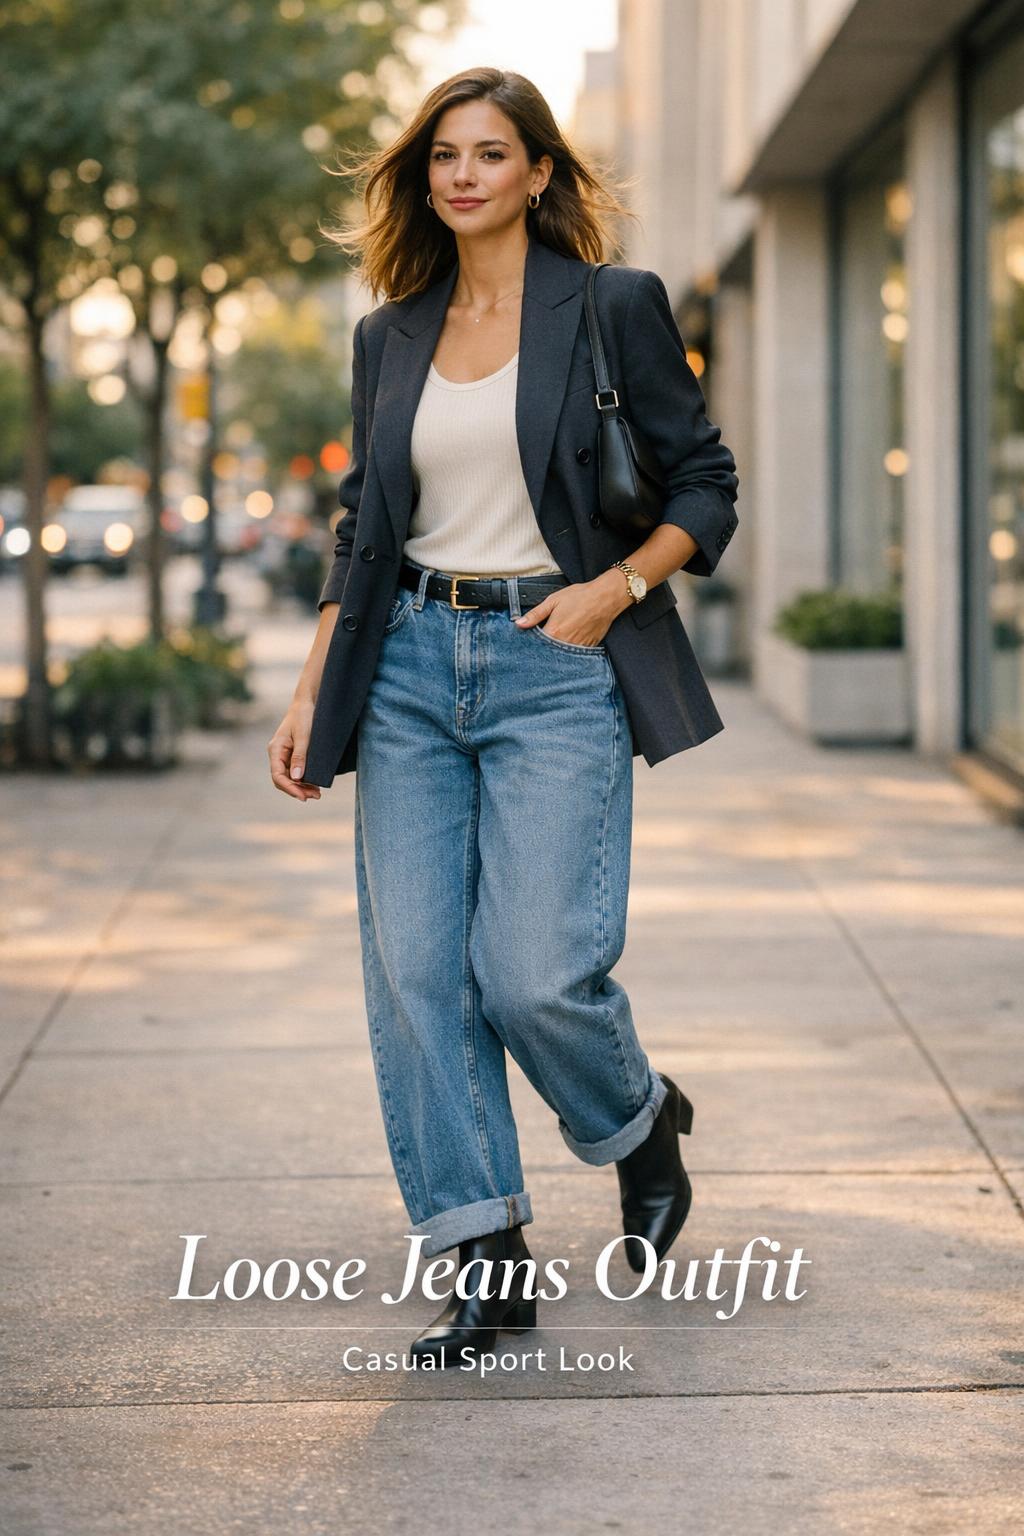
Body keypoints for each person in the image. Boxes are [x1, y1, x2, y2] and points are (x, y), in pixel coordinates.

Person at [269, 67, 739, 1367]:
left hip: (556, 658)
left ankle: (642, 1125)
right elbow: (364, 526)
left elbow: (704, 483)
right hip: (410, 663)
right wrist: (317, 689)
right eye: (443, 156)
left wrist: (614, 588)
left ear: (540, 173)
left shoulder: (612, 307)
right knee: (419, 975)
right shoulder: (392, 333)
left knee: (534, 974)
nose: (464, 173)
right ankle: (486, 1257)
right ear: (425, 180)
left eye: (492, 152)